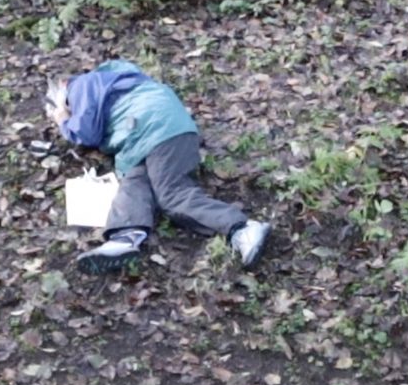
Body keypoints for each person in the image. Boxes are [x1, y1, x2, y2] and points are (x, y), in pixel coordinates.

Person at [45, 60, 271, 275]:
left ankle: (242, 229)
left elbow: (86, 132)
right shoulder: (117, 83)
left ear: (63, 85)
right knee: (134, 181)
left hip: (154, 128)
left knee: (172, 194)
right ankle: (124, 238)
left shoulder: (81, 85)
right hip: (149, 135)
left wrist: (63, 119)